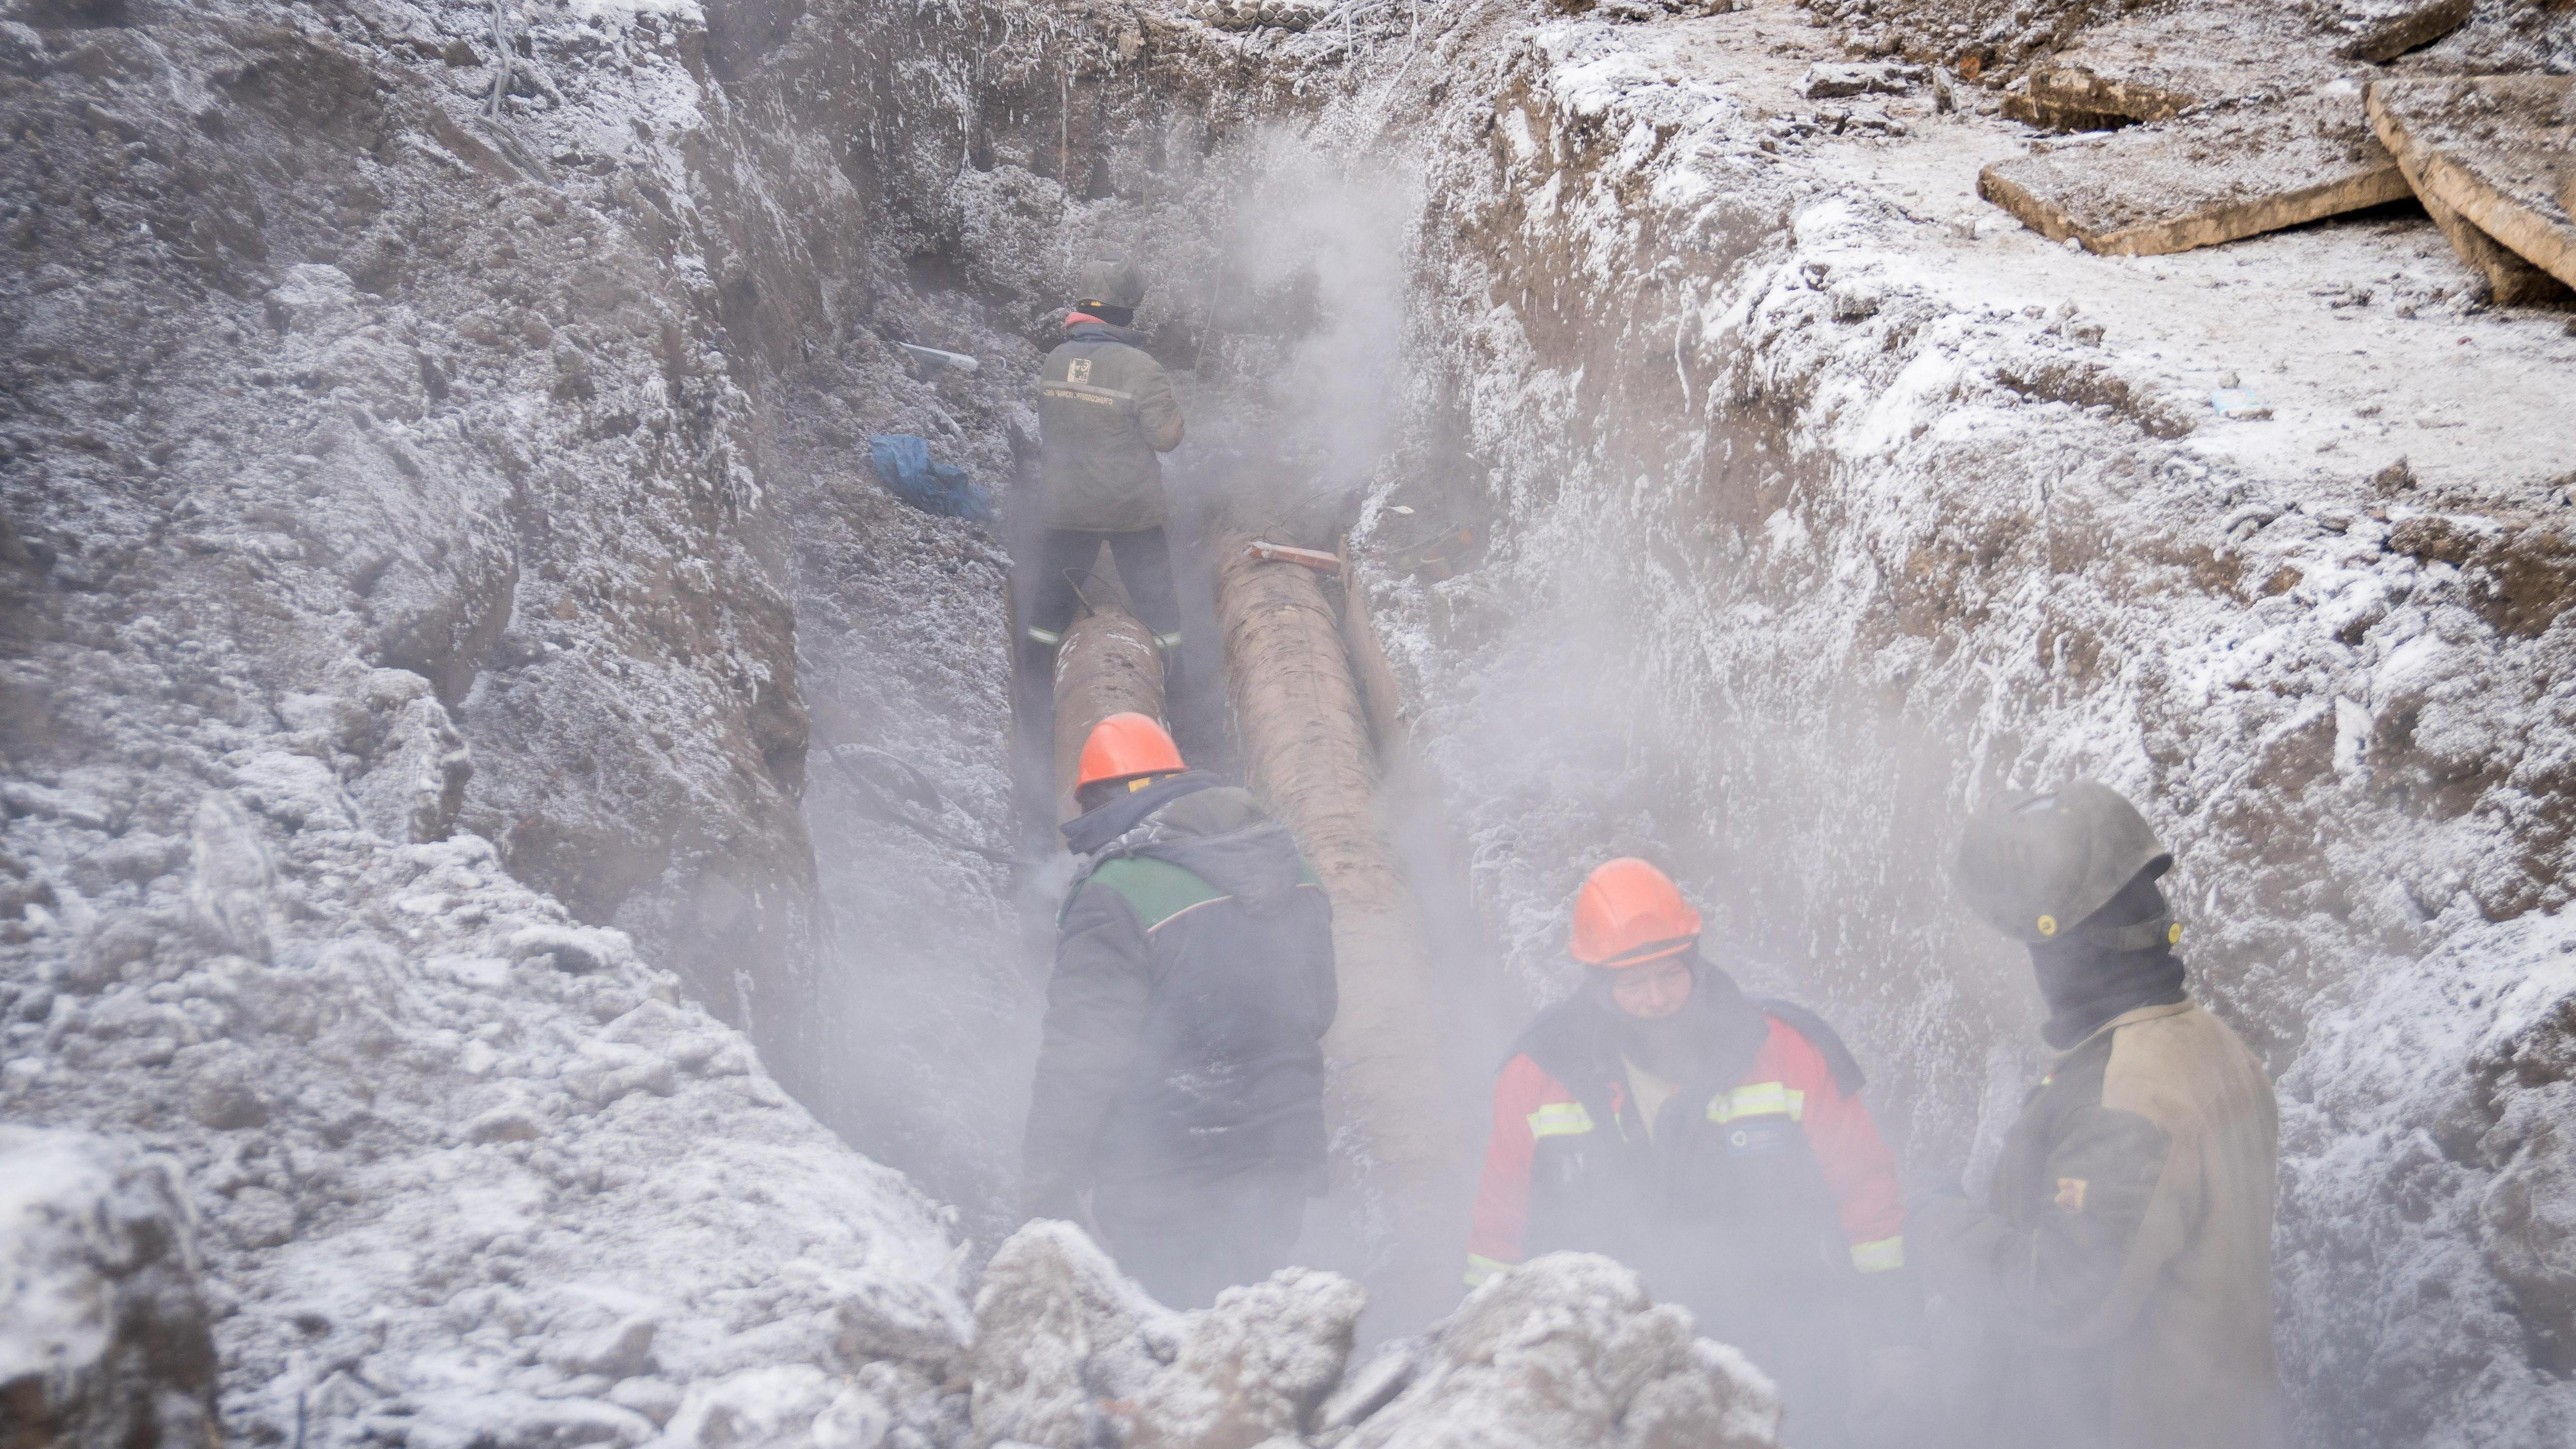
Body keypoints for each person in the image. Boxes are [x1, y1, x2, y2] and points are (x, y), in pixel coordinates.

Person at [1466, 857, 1923, 1448]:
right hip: (1614, 1369)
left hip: (1788, 1352)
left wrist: (1898, 1341)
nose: (1656, 998)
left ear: (1696, 960)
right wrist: (1479, 1364)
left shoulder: (1789, 1051)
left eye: (1670, 975)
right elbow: (1501, 1235)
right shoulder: (1540, 1072)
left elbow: (1869, 1204)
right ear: (1596, 981)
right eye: (1633, 983)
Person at [1917, 780, 2282, 1449]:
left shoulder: (2125, 1094)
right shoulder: (2212, 1045)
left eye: (2028, 948)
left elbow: (2060, 1298)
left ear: (2065, 951)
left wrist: (1935, 1221)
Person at [1020, 712, 1336, 1308]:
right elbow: (1319, 1008)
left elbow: (1083, 1055)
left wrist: (1046, 1181)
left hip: (1166, 1174)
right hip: (1279, 1158)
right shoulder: (1296, 871)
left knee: (1178, 1343)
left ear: (1102, 800)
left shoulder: (1114, 894)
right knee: (1252, 1333)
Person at [1024, 259, 1187, 668]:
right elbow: (1166, 438)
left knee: (1049, 611)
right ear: (1126, 311)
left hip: (1067, 507)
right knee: (1159, 606)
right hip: (1129, 511)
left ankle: (1032, 685)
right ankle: (1176, 684)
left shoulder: (1055, 360)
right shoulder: (1141, 369)